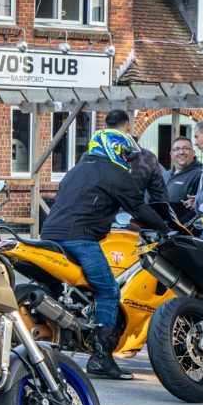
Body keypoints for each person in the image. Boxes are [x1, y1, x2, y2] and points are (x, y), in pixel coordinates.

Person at [41, 129, 169, 380]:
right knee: (108, 290)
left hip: (50, 234)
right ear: (114, 149)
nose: (128, 161)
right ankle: (101, 356)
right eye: (126, 154)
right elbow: (139, 208)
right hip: (80, 236)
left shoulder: (77, 169)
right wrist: (165, 229)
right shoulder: (114, 172)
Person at [104, 110, 168, 204]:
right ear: (128, 127)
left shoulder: (92, 156)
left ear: (104, 128)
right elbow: (161, 200)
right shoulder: (148, 158)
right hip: (135, 215)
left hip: (100, 216)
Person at [164, 136, 203, 219]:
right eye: (177, 149)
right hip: (161, 228)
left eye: (186, 148)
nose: (181, 152)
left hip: (182, 230)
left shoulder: (200, 175)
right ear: (171, 154)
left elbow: (199, 210)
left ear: (193, 153)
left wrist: (180, 228)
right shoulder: (164, 175)